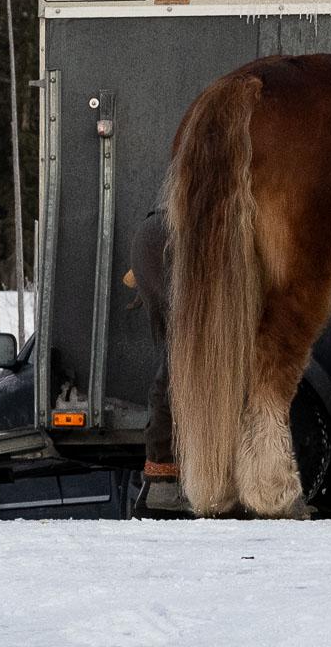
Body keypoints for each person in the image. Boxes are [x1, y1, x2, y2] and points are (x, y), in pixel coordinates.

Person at [125, 208, 191, 517]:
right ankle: (164, 483)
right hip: (166, 240)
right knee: (179, 367)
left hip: (160, 238)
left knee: (177, 366)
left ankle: (163, 483)